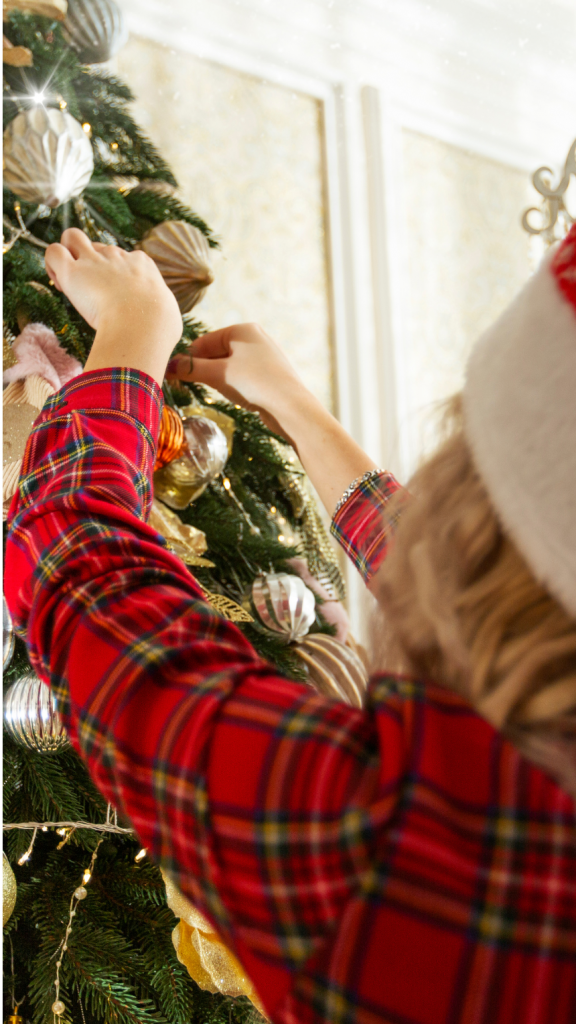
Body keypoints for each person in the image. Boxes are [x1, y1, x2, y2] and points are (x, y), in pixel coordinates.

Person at [5, 226, 576, 1024]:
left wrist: (133, 332)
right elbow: (455, 573)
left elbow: (82, 572)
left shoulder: (424, 870)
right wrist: (299, 411)